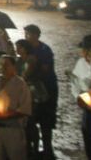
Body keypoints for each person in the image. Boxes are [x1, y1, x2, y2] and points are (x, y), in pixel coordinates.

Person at [0, 55, 33, 160]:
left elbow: (25, 109)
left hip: (13, 130)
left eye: (6, 65)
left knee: (15, 156)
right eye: (1, 65)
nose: (3, 67)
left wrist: (6, 115)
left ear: (14, 67)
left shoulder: (20, 84)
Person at [24, 24, 58, 159]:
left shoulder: (44, 50)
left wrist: (33, 65)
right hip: (31, 90)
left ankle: (48, 149)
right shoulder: (27, 50)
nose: (26, 37)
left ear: (36, 35)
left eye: (28, 34)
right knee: (31, 120)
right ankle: (33, 148)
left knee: (46, 121)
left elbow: (45, 69)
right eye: (25, 34)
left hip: (46, 89)